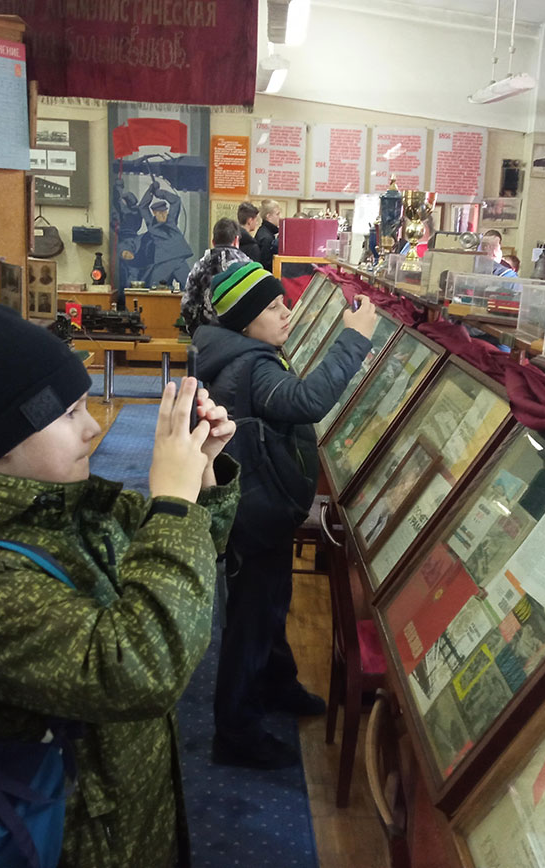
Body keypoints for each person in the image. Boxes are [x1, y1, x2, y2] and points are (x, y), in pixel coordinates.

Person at [0, 298, 240, 868]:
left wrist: (203, 474)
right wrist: (172, 504)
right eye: (70, 413)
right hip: (71, 835)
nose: (93, 427)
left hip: (122, 807)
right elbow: (138, 669)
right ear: (1, 439)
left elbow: (185, 563)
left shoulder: (62, 506)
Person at [192, 262, 378, 769]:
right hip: (255, 509)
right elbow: (308, 400)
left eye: (283, 303)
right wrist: (355, 339)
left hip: (258, 504)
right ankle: (236, 730)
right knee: (252, 619)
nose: (286, 312)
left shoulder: (241, 353)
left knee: (271, 602)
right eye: (273, 307)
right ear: (245, 322)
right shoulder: (252, 367)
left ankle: (276, 682)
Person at [181, 217, 252, 335]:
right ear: (236, 240)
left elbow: (187, 304)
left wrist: (194, 332)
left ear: (213, 242)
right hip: (238, 336)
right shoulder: (248, 266)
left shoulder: (200, 266)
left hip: (207, 334)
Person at [138, 178, 195, 287]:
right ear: (154, 213)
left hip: (178, 259)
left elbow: (176, 201)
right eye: (160, 213)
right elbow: (142, 207)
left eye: (164, 212)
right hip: (163, 262)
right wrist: (150, 191)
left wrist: (161, 194)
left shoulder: (171, 220)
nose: (163, 215)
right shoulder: (151, 224)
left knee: (190, 287)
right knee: (154, 288)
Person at [255, 199, 281, 272]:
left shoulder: (264, 232)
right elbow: (266, 265)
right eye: (277, 214)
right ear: (268, 216)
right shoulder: (266, 238)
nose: (280, 217)